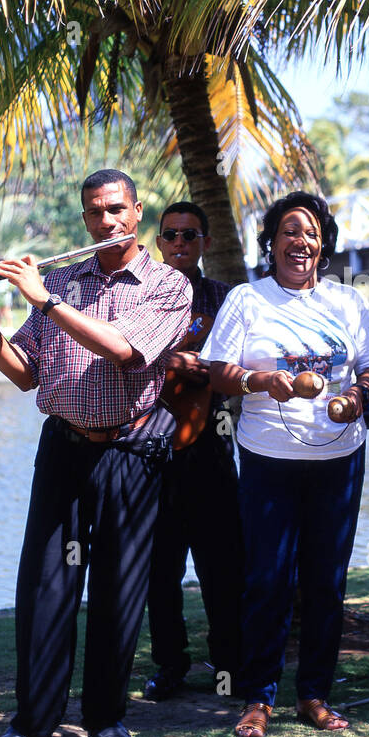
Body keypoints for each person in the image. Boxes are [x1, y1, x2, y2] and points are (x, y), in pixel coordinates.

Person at [0, 169, 192, 737]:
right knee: (46, 585)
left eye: (115, 210)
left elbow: (126, 352)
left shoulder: (167, 286)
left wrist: (47, 300)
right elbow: (26, 372)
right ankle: (32, 721)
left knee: (118, 590)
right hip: (63, 448)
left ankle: (106, 717)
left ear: (137, 213)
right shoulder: (62, 280)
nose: (104, 221)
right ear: (84, 218)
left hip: (129, 453)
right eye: (93, 212)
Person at [203, 191, 369, 737]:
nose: (300, 242)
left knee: (326, 583)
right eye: (289, 231)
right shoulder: (247, 299)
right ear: (271, 242)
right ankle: (258, 699)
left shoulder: (348, 303)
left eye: (310, 233)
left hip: (339, 458)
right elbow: (218, 372)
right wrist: (262, 381)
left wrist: (359, 394)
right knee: (267, 580)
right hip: (268, 459)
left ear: (322, 244)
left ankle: (313, 694)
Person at [143, 201, 243, 700]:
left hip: (212, 445)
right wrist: (171, 360)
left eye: (189, 236)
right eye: (170, 236)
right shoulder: (138, 297)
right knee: (159, 570)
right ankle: (169, 665)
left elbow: (237, 365)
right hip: (149, 447)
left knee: (221, 565)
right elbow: (123, 357)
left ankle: (228, 665)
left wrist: (195, 364)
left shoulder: (226, 299)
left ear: (204, 242)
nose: (180, 245)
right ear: (158, 241)